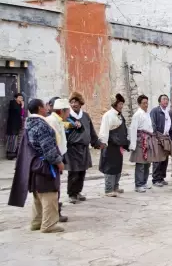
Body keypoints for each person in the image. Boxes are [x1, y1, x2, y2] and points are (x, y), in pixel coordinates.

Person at [8, 99, 65, 233]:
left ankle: (37, 222)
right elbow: (48, 148)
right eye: (45, 105)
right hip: (44, 165)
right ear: (40, 108)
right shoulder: (41, 125)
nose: (47, 107)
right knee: (49, 195)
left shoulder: (28, 123)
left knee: (38, 195)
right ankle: (49, 225)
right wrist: (58, 161)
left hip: (33, 164)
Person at [65, 92, 103, 203]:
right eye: (71, 102)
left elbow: (91, 131)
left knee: (82, 171)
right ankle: (71, 194)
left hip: (84, 149)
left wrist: (96, 143)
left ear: (80, 103)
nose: (74, 104)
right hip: (72, 149)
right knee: (73, 172)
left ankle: (78, 191)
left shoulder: (85, 116)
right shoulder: (68, 117)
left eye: (76, 102)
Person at [98, 94, 130, 197]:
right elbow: (104, 130)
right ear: (115, 104)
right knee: (109, 167)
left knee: (118, 166)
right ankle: (108, 189)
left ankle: (115, 186)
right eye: (120, 103)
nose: (121, 106)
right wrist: (103, 143)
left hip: (118, 145)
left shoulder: (120, 116)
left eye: (122, 104)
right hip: (110, 145)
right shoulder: (108, 115)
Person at [129, 95, 159, 193]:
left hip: (148, 139)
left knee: (147, 163)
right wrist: (133, 144)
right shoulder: (137, 115)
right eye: (143, 103)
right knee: (141, 163)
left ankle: (144, 182)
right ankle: (138, 184)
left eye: (147, 103)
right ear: (139, 104)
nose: (146, 105)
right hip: (140, 140)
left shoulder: (147, 114)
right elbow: (133, 129)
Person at [150, 94, 172, 187]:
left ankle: (161, 177)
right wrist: (155, 136)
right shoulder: (155, 111)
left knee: (164, 159)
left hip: (166, 137)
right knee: (157, 159)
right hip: (158, 137)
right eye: (164, 99)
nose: (166, 101)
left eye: (167, 99)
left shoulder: (167, 112)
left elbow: (169, 125)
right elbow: (152, 124)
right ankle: (155, 179)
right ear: (159, 101)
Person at [6, 93, 25, 160]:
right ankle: (10, 154)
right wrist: (22, 106)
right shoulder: (13, 103)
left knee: (17, 139)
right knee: (12, 139)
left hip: (18, 124)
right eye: (19, 97)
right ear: (16, 98)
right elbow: (18, 112)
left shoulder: (19, 105)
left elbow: (22, 114)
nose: (21, 99)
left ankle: (15, 154)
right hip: (12, 125)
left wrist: (22, 107)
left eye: (22, 98)